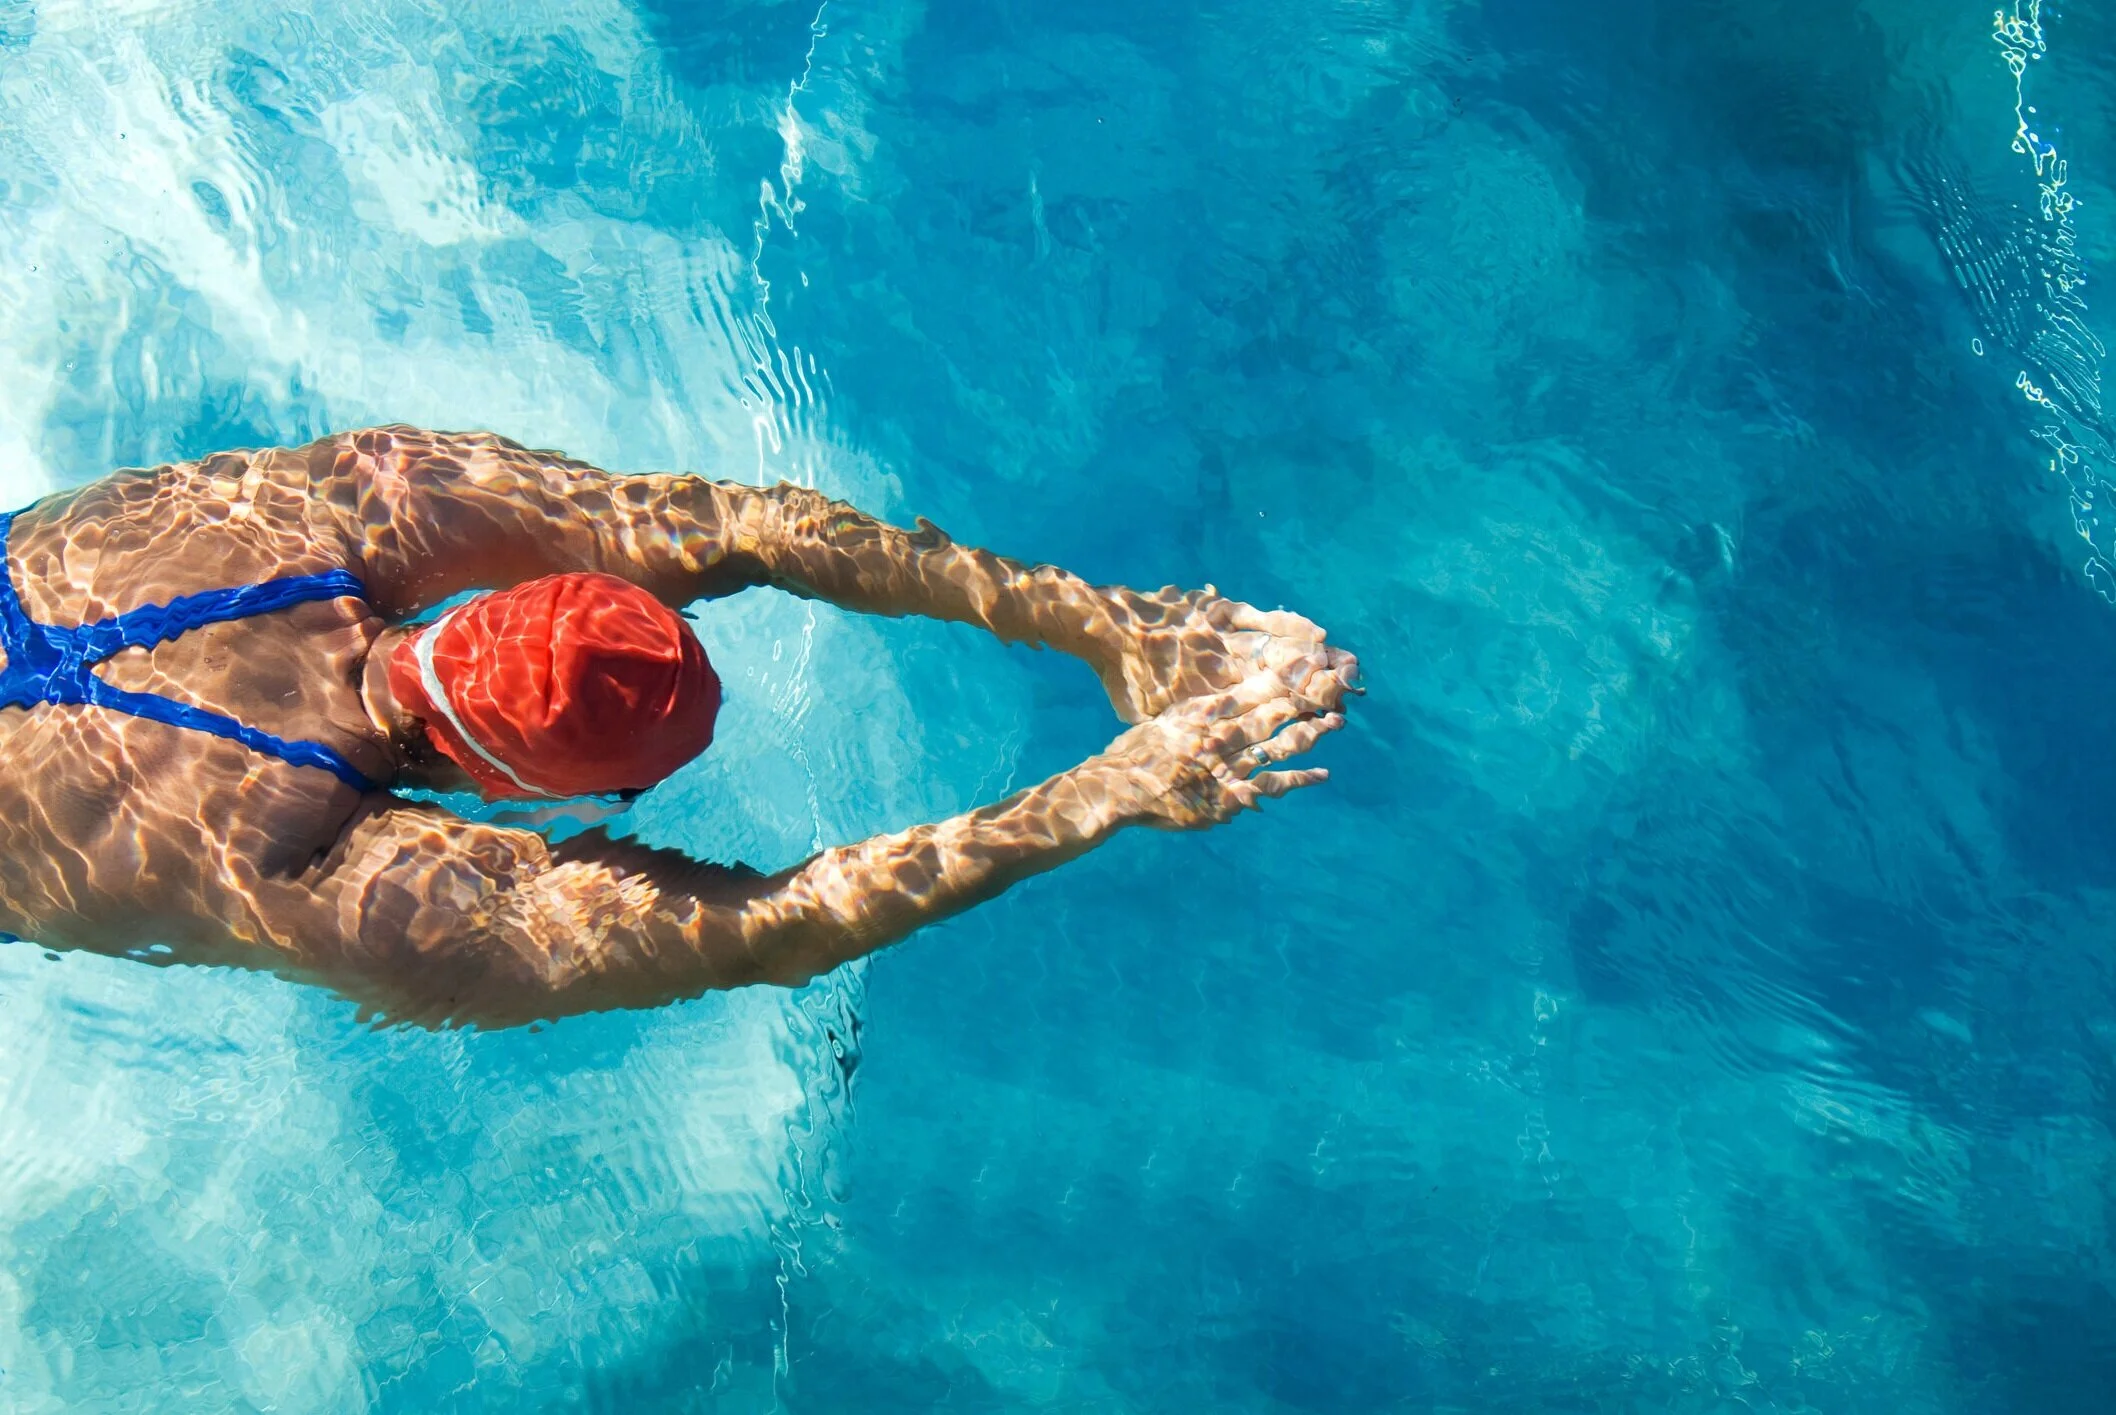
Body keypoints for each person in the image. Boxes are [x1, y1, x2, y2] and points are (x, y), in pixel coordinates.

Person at [0, 426, 1358, 1027]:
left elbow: (746, 527)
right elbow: (772, 924)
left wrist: (1107, 623)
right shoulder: (313, 875)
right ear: (513, 789)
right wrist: (1113, 790)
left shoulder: (337, 509)